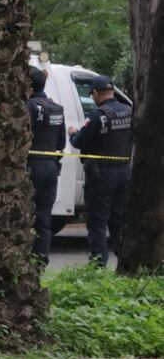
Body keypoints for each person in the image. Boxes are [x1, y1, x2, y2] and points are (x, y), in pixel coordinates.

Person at [68, 75, 133, 266]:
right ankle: (125, 262)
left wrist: (72, 133)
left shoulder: (98, 116)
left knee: (97, 220)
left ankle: (98, 264)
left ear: (96, 93)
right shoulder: (129, 111)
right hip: (124, 172)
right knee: (117, 218)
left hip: (101, 175)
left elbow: (79, 141)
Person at [25, 66, 66, 267]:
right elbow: (61, 143)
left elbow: (24, 138)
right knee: (44, 218)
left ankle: (26, 261)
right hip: (50, 166)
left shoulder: (29, 107)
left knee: (26, 215)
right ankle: (40, 262)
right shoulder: (57, 108)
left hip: (31, 166)